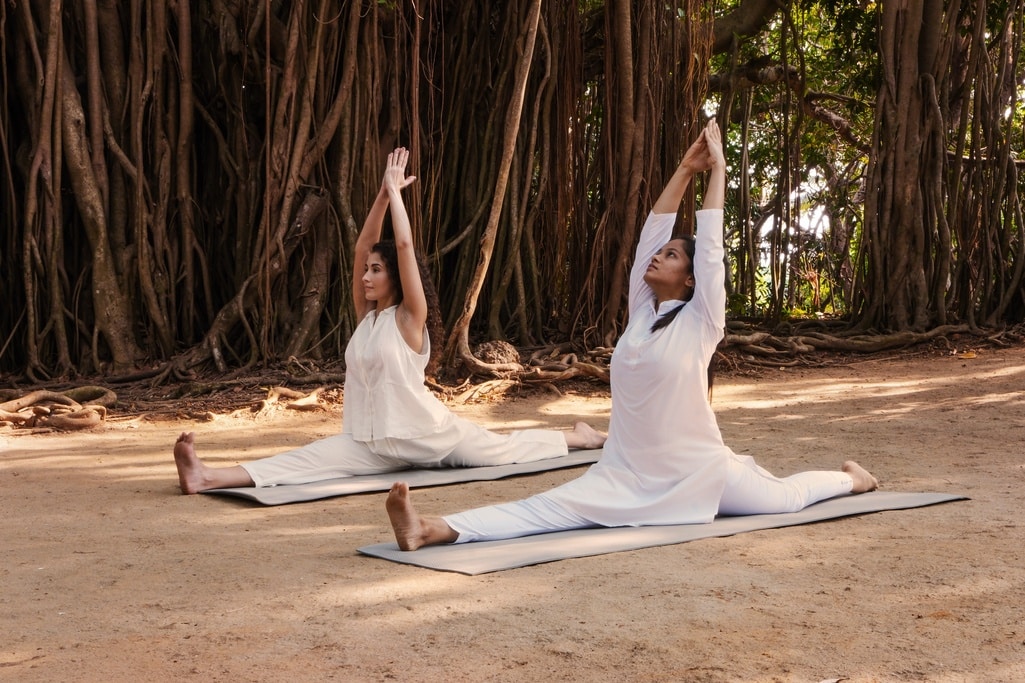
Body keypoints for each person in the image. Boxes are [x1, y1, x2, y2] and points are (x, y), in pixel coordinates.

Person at [386, 120, 878, 550]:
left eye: (673, 256)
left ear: (691, 280)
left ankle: (851, 479)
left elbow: (709, 249)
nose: (660, 256)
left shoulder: (702, 320)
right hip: (626, 474)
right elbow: (651, 232)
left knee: (787, 497)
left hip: (700, 473)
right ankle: (431, 529)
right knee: (546, 507)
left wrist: (720, 171)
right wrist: (685, 169)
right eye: (660, 253)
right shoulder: (642, 315)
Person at [173, 147, 605, 494]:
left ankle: (580, 438)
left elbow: (402, 244)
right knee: (308, 458)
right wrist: (382, 193)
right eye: (366, 271)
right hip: (373, 443)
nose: (365, 276)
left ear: (396, 277)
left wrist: (399, 194)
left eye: (376, 271)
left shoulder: (409, 318)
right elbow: (363, 245)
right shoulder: (368, 320)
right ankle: (206, 476)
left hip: (426, 435)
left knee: (503, 449)